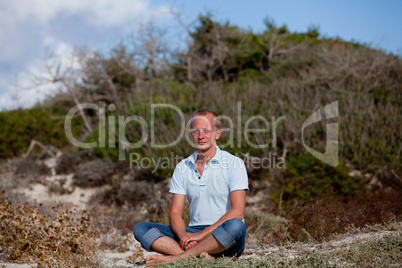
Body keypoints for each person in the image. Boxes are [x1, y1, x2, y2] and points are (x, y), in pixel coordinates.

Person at [133, 108, 249, 266]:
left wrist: (200, 236)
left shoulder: (234, 163)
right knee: (141, 228)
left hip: (225, 234)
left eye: (207, 131)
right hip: (193, 232)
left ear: (217, 134)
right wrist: (184, 237)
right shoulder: (183, 167)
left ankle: (177, 259)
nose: (201, 136)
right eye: (196, 131)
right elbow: (175, 213)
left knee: (237, 225)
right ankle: (201, 257)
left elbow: (238, 211)